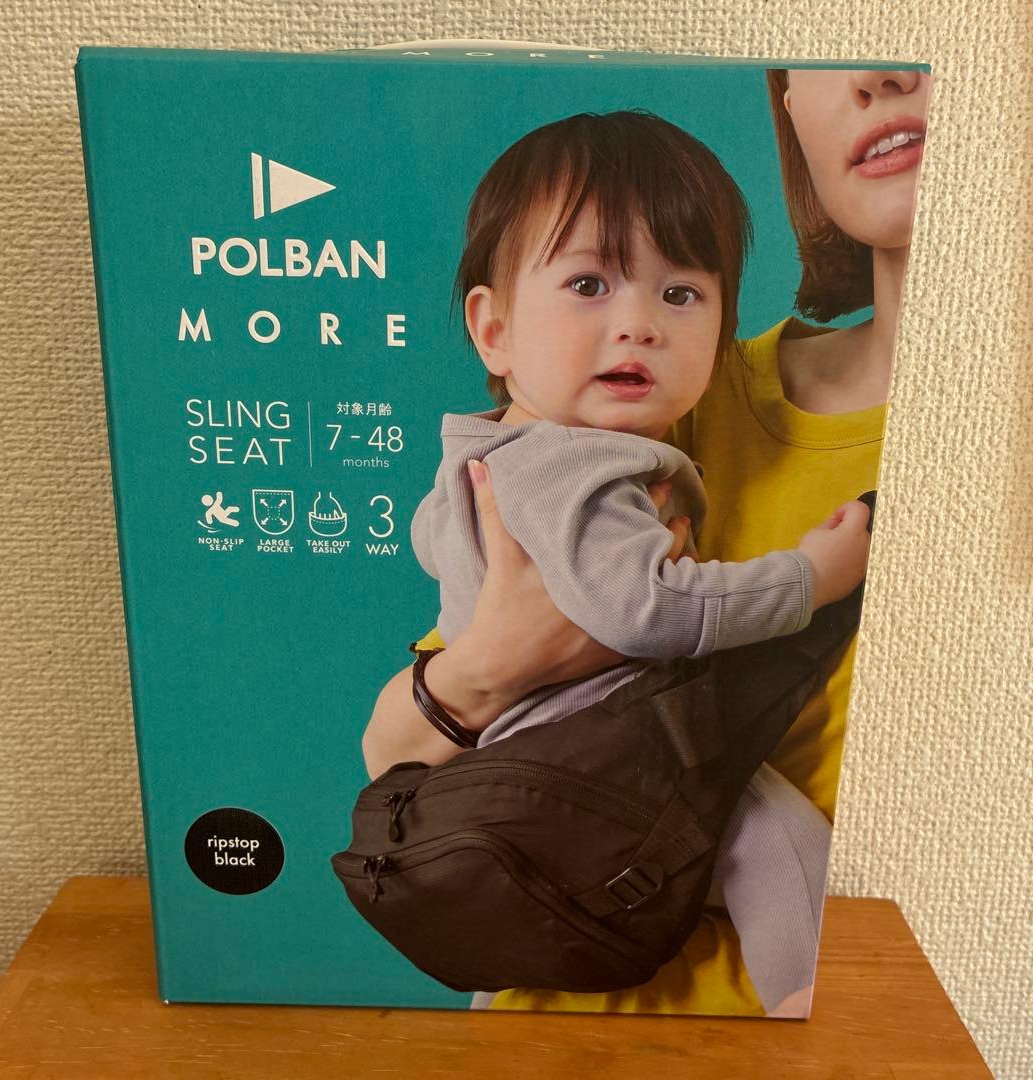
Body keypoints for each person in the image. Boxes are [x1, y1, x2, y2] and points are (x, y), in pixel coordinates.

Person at [364, 68, 930, 1018]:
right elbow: (399, 747)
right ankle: (803, 996)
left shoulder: (542, 441)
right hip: (560, 964)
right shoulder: (619, 435)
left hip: (610, 919)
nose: (637, 323)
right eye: (589, 284)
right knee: (774, 838)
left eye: (680, 293)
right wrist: (811, 576)